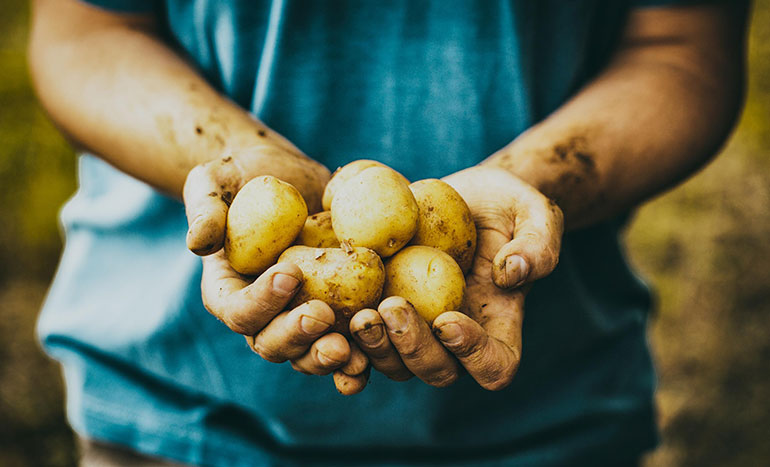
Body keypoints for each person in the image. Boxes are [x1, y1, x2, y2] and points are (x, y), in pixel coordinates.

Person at [29, 0, 747, 465]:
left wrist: (539, 180)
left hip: (550, 421)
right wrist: (222, 151)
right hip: (174, 405)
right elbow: (86, 29)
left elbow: (682, 44)